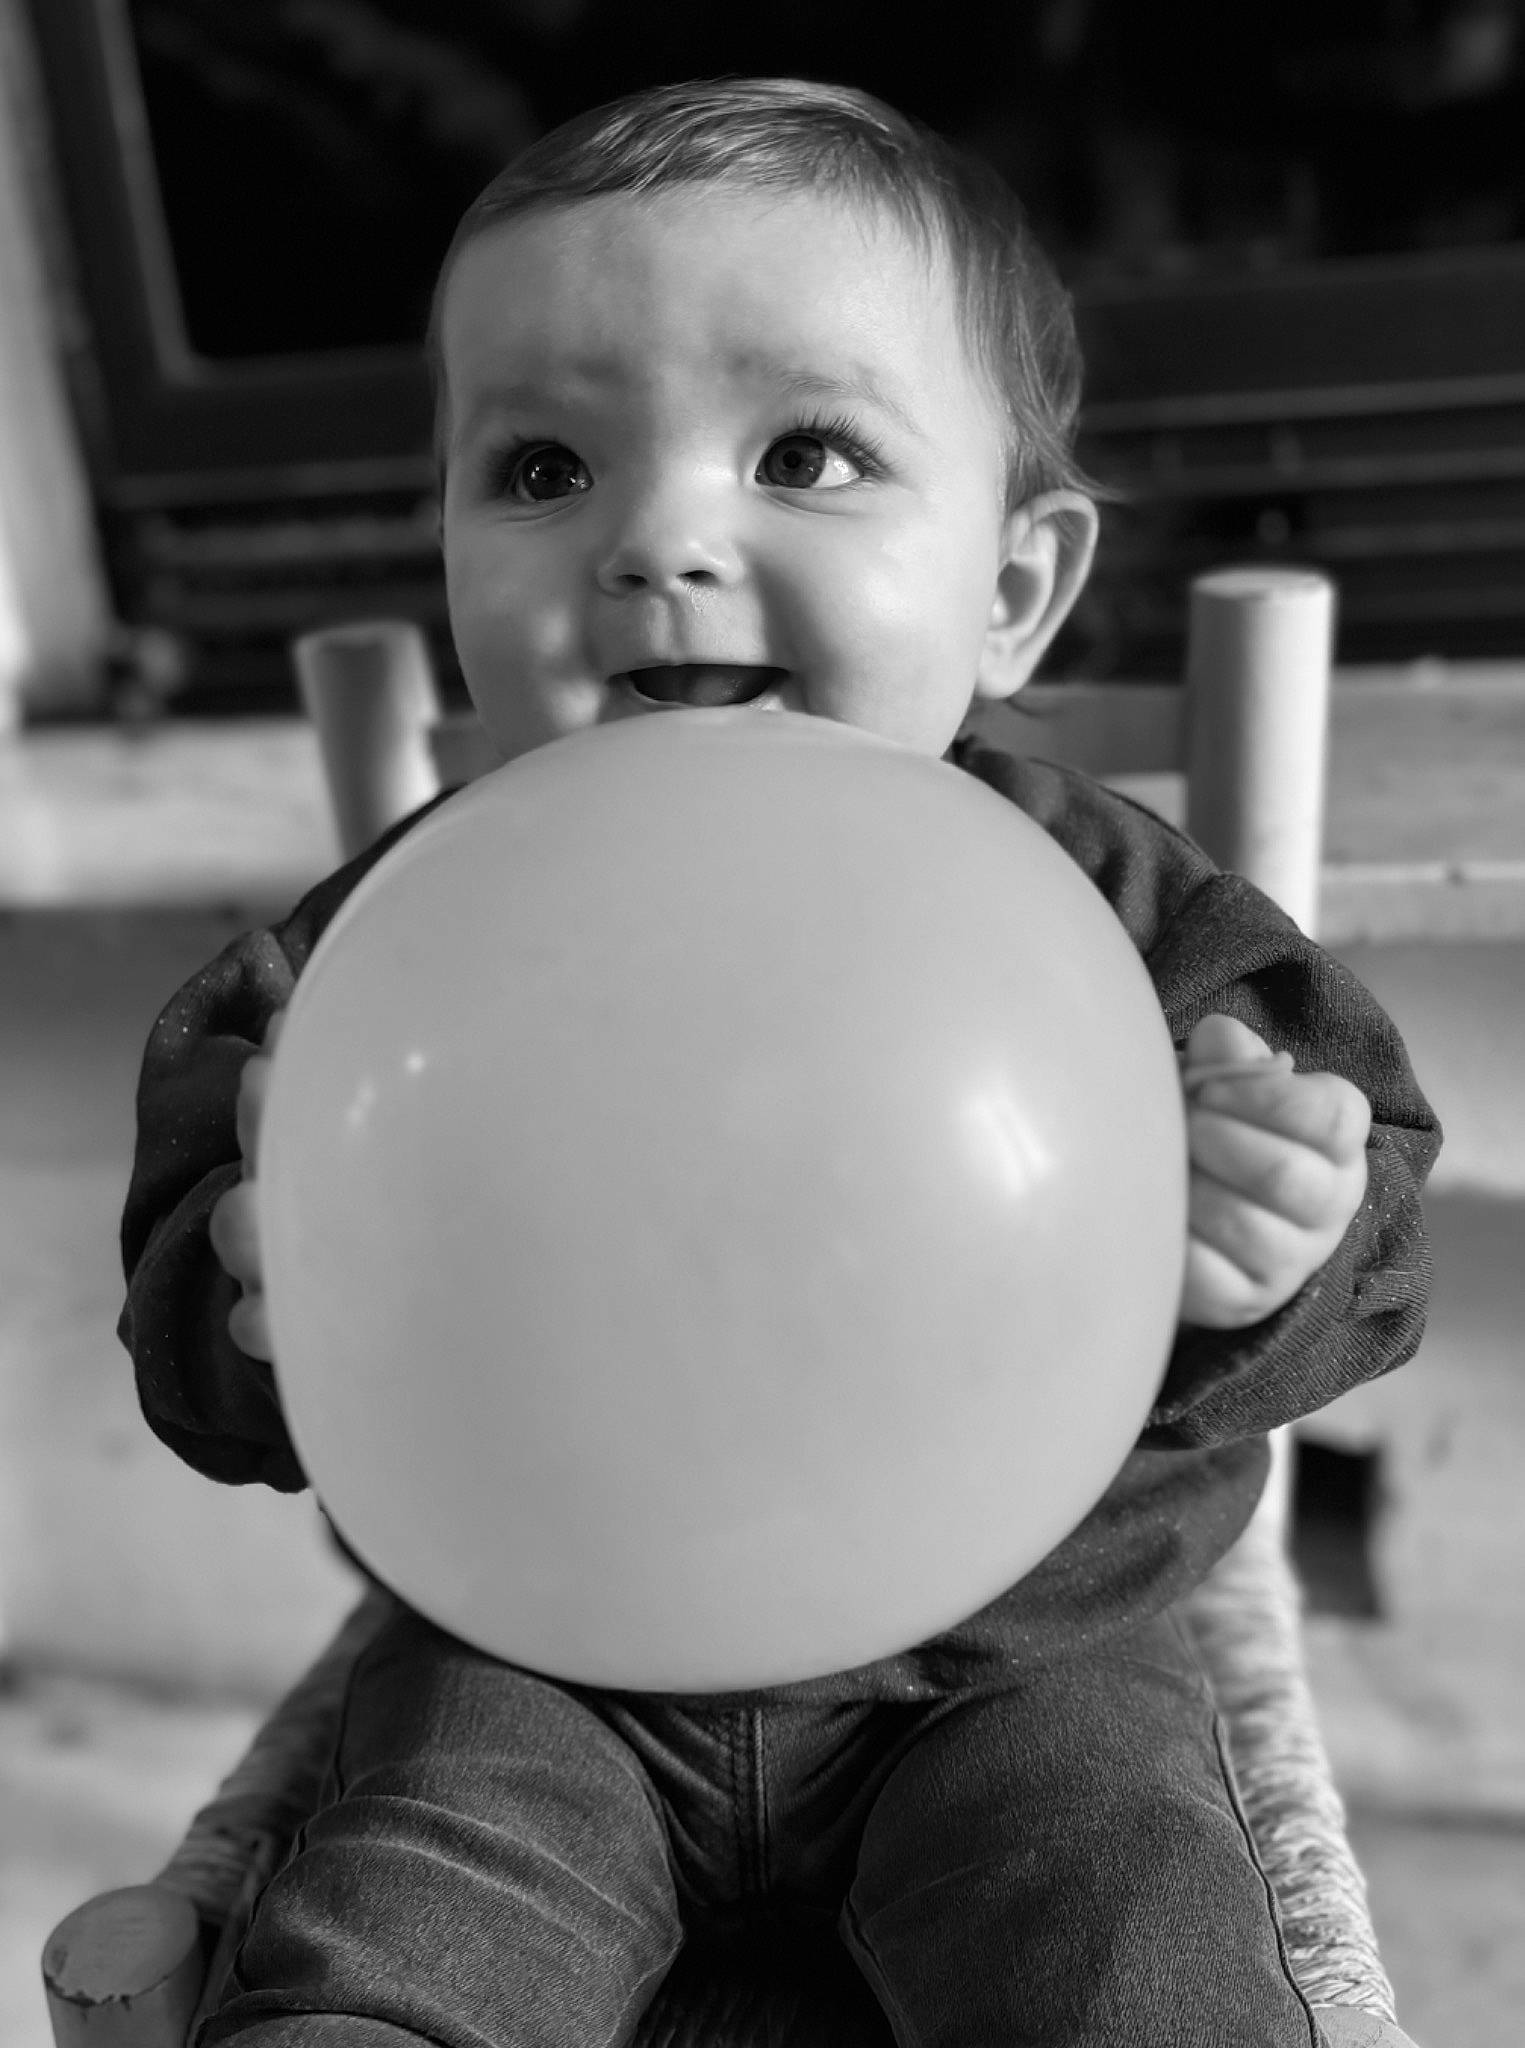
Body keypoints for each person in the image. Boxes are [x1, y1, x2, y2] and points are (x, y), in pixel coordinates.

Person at [119, 77, 1439, 2048]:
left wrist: (1285, 1233)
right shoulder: (382, 952)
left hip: (1029, 1666)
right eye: (547, 467)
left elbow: (1381, 1219)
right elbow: (197, 1362)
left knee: (1133, 1952)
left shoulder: (1111, 915)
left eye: (806, 451)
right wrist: (246, 1298)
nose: (660, 538)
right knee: (389, 1941)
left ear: (1009, 584)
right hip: (529, 1660)